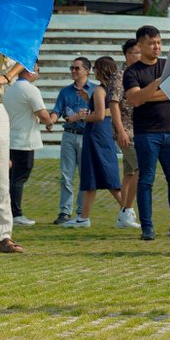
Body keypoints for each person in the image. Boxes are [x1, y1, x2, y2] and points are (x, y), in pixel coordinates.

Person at [124, 25, 170, 241]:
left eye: (158, 42)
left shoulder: (169, 66)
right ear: (140, 45)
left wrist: (147, 95)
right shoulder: (133, 72)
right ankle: (147, 228)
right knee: (146, 179)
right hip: (146, 133)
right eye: (151, 43)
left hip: (169, 132)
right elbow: (134, 99)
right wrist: (159, 84)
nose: (156, 47)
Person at [65, 57, 129, 228]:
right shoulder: (113, 89)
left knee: (102, 174)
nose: (94, 72)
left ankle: (126, 212)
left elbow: (99, 115)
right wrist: (88, 101)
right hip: (104, 133)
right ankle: (85, 216)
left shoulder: (100, 90)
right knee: (94, 176)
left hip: (96, 134)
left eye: (96, 69)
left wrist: (82, 116)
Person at [2, 63, 55, 227]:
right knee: (19, 178)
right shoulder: (30, 90)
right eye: (37, 70)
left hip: (11, 138)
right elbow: (42, 113)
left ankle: (10, 212)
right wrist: (50, 122)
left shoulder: (10, 89)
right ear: (30, 71)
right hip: (24, 141)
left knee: (10, 178)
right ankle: (16, 213)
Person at [49, 56, 95, 225]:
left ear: (87, 71)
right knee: (66, 175)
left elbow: (102, 113)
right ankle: (64, 212)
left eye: (77, 68)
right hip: (68, 135)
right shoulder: (65, 91)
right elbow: (57, 110)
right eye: (72, 68)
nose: (73, 71)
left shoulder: (95, 90)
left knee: (85, 175)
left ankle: (82, 212)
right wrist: (51, 120)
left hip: (87, 136)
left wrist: (83, 116)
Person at [0, 57, 27, 253]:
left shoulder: (6, 38)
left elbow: (25, 55)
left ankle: (3, 236)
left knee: (1, 178)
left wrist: (7, 76)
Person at [115, 39, 141, 229]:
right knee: (141, 168)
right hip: (127, 131)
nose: (139, 55)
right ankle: (128, 211)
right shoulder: (120, 76)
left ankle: (123, 212)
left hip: (140, 129)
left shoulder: (140, 74)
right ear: (127, 55)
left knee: (129, 173)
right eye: (135, 52)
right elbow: (113, 103)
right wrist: (120, 130)